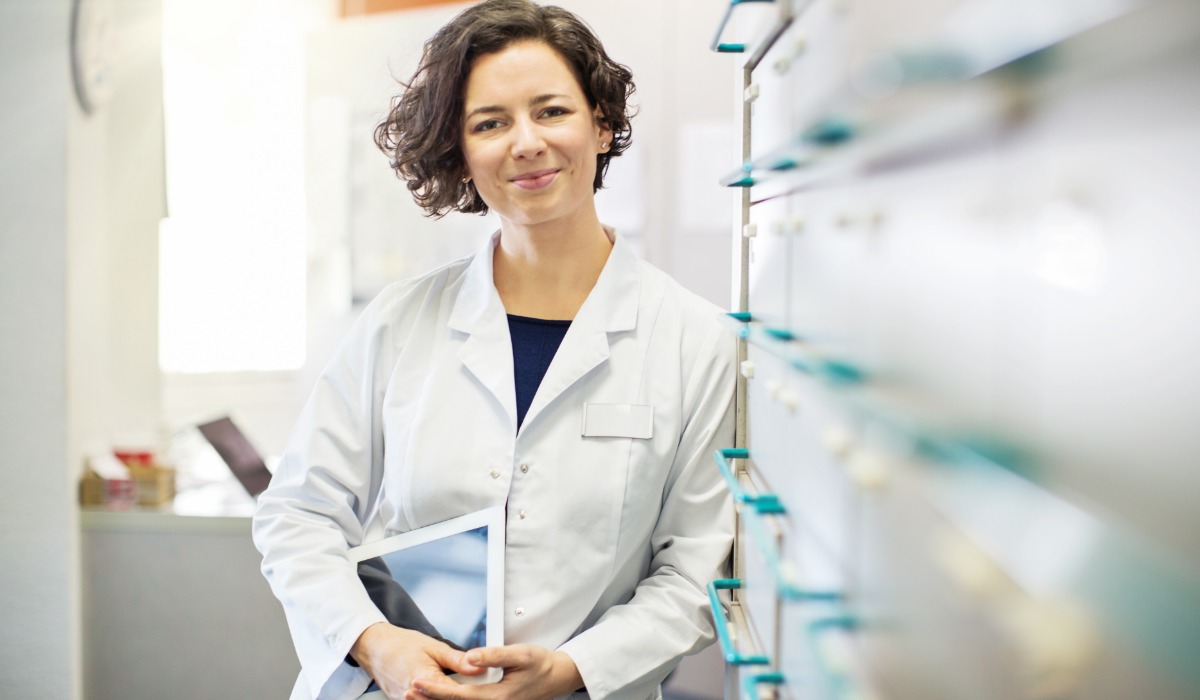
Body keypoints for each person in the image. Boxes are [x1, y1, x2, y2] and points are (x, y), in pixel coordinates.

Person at [251, 1, 735, 698]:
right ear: (461, 149)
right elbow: (298, 512)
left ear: (601, 124)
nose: (526, 142)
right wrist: (377, 644)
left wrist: (571, 670)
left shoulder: (697, 340)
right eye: (490, 123)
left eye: (552, 111)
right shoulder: (400, 322)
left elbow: (694, 574)